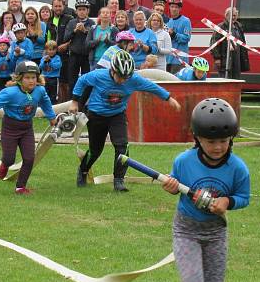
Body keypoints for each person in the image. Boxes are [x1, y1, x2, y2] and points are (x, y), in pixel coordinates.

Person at [158, 98, 250, 282]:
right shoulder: (184, 162)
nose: (218, 147)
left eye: (224, 140)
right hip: (186, 229)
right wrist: (173, 187)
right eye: (212, 142)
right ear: (197, 138)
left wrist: (228, 202)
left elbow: (244, 196)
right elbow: (177, 185)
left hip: (215, 233)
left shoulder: (237, 168)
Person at [69, 49, 181, 192]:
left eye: (125, 78)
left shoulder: (133, 79)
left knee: (122, 146)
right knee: (95, 150)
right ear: (112, 70)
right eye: (120, 77)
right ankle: (83, 170)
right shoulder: (98, 75)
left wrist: (168, 98)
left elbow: (152, 87)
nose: (122, 81)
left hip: (117, 115)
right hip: (97, 115)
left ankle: (119, 180)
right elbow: (81, 80)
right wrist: (74, 101)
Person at [0, 60, 57, 194]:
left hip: (27, 128)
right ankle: (4, 164)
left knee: (29, 158)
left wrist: (51, 117)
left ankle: (20, 187)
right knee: (9, 159)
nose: (31, 81)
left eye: (33, 77)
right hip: (10, 128)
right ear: (19, 78)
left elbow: (46, 103)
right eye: (27, 77)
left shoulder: (40, 90)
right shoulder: (9, 92)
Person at [62, 0, 95, 91]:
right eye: (79, 9)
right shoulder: (72, 22)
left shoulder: (92, 23)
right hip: (74, 55)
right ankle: (72, 100)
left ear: (87, 11)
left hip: (86, 56)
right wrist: (74, 31)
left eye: (84, 9)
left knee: (86, 79)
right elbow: (65, 38)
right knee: (72, 80)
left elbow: (94, 39)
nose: (81, 12)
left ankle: (84, 102)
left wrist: (85, 31)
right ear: (76, 11)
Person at [210, 7, 249, 80]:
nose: (233, 17)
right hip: (225, 58)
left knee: (236, 79)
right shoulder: (221, 27)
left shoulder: (239, 27)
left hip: (236, 58)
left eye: (235, 15)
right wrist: (217, 58)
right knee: (225, 78)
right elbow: (214, 43)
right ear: (226, 16)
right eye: (232, 15)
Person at [47, 0, 73, 102]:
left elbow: (74, 35)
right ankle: (53, 102)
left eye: (60, 6)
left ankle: (64, 103)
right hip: (52, 54)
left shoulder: (69, 18)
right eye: (55, 6)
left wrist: (66, 45)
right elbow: (48, 37)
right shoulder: (50, 20)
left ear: (64, 6)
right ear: (52, 7)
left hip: (66, 54)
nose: (58, 8)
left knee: (64, 80)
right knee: (52, 80)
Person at [166, 0, 190, 74]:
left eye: (176, 7)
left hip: (179, 60)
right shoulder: (169, 21)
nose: (174, 9)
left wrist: (174, 34)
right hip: (168, 59)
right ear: (169, 7)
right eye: (172, 7)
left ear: (180, 8)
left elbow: (186, 38)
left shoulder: (186, 21)